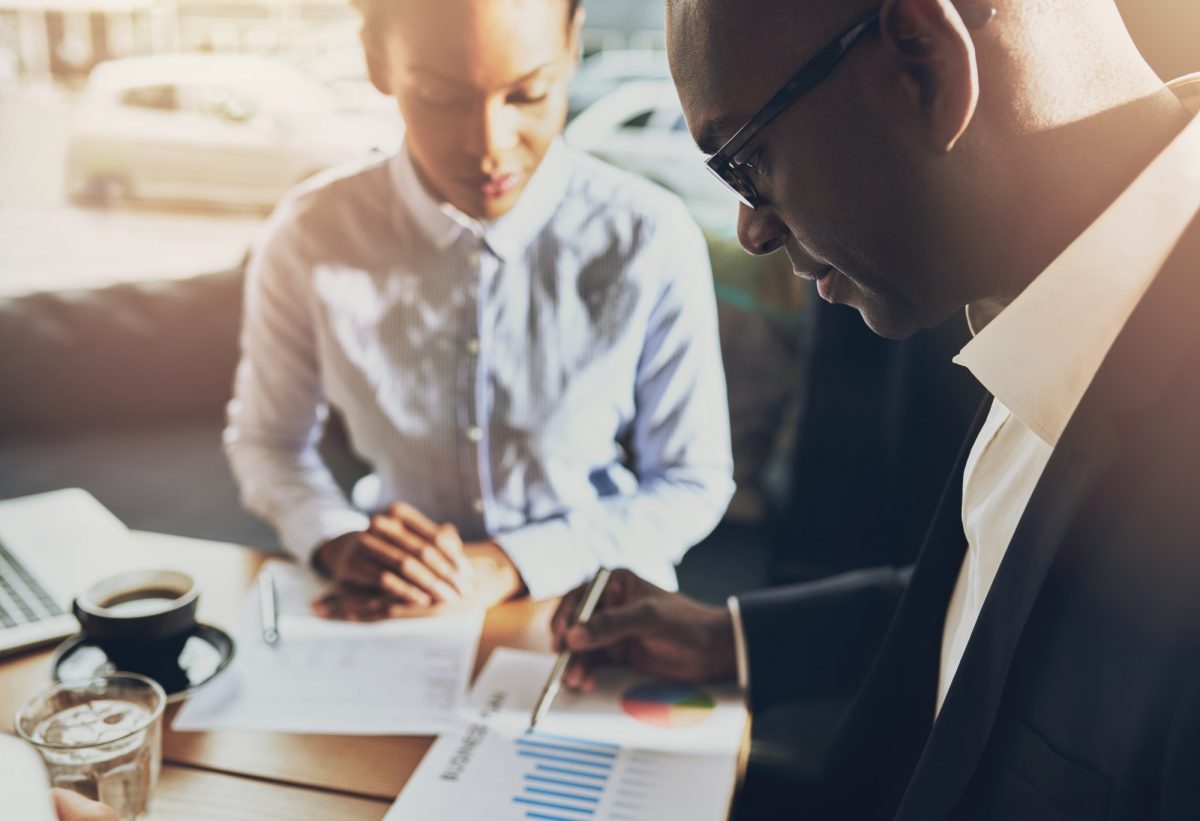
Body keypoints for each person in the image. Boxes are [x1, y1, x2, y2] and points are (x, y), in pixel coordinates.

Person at [553, 0, 1200, 817]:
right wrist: (736, 639)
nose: (750, 230)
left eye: (746, 161)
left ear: (925, 64)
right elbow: (1007, 610)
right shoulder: (1049, 295)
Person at [225, 0, 734, 617]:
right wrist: (333, 537)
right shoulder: (309, 236)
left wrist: (504, 562)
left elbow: (691, 482)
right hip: (396, 600)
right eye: (441, 98)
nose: (489, 147)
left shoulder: (648, 236)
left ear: (573, 47)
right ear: (377, 62)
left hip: (598, 598)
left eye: (528, 94)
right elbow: (267, 443)